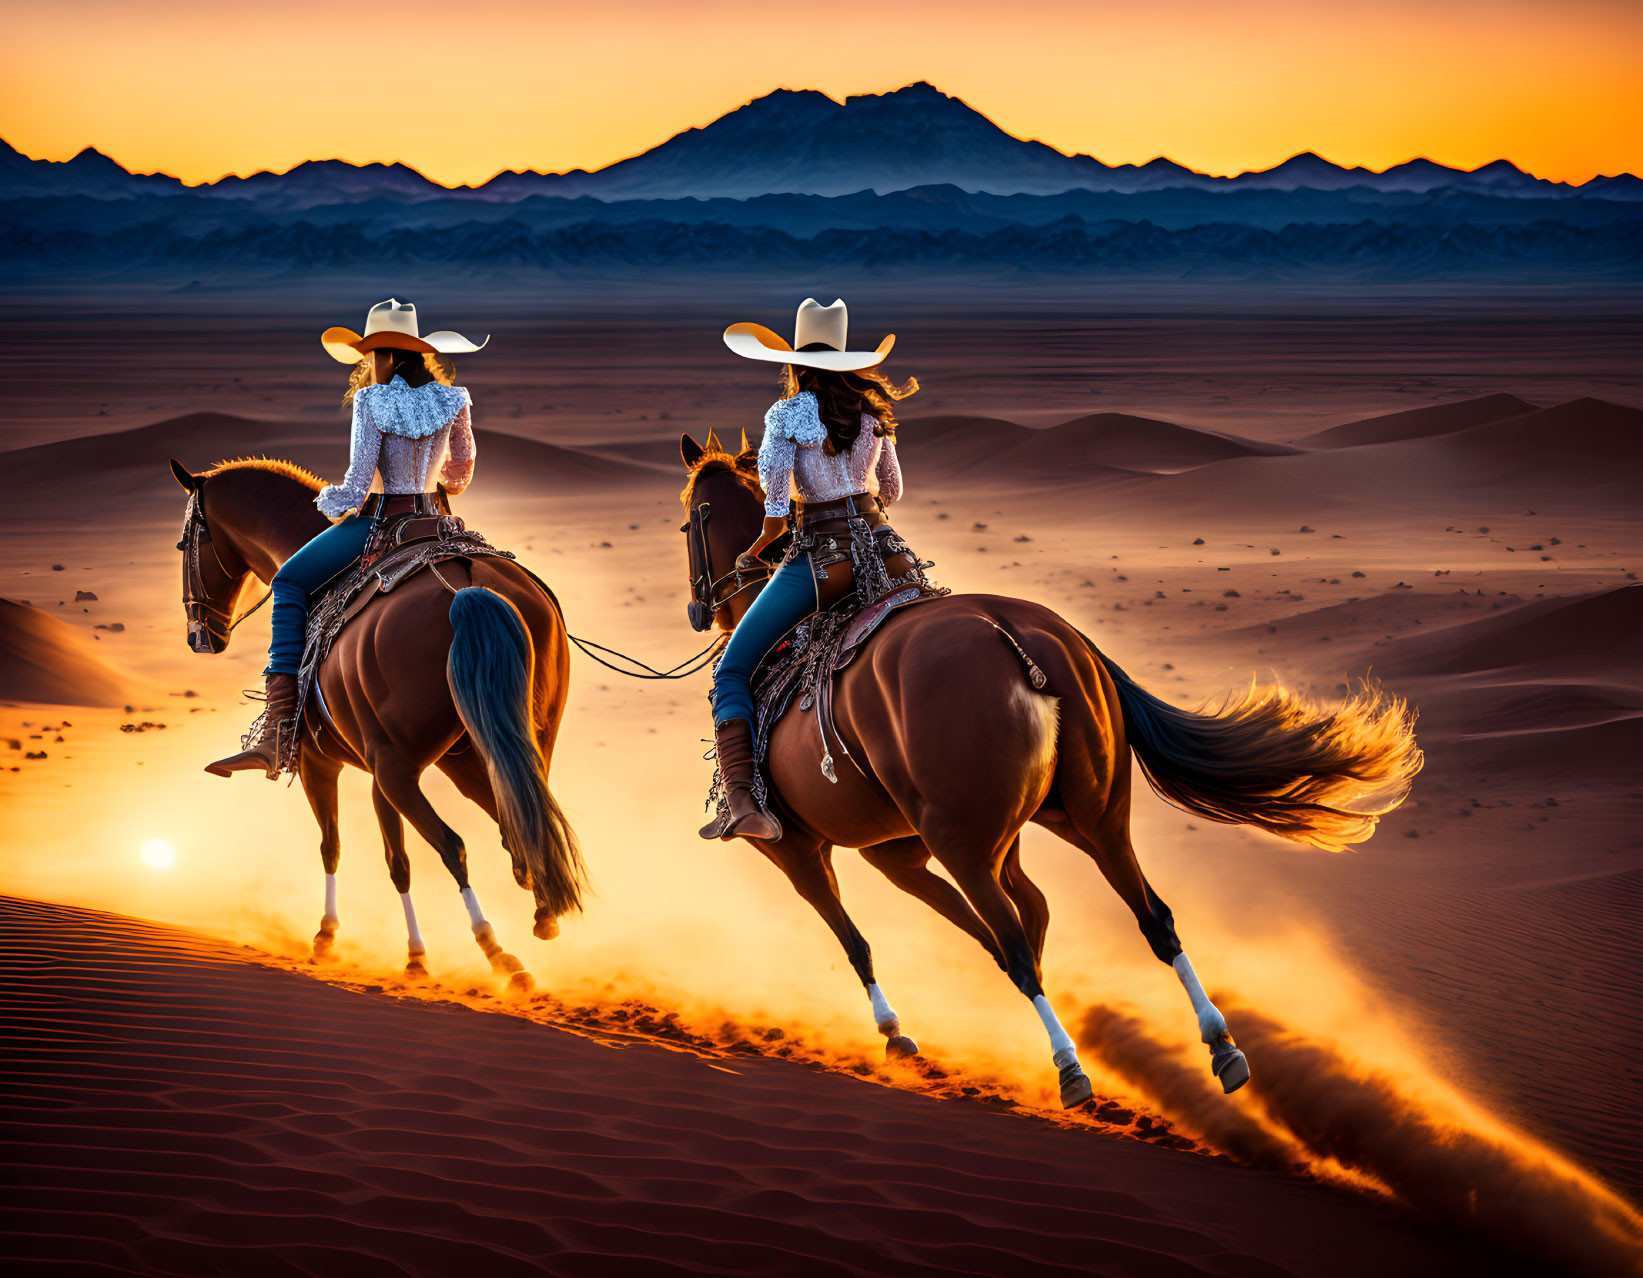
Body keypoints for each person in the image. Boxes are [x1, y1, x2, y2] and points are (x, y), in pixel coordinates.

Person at [205, 299, 488, 778]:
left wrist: (328, 504)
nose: (366, 365)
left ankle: (277, 731)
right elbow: (460, 474)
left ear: (387, 357)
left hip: (381, 522)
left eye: (370, 355)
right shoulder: (454, 399)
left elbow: (357, 483)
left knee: (292, 581)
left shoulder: (372, 400)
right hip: (436, 524)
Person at [706, 297, 922, 839]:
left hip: (824, 563)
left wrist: (755, 552)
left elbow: (776, 512)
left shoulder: (785, 416)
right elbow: (891, 491)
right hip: (889, 552)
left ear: (795, 362)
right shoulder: (875, 415)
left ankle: (742, 802)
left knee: (730, 671)